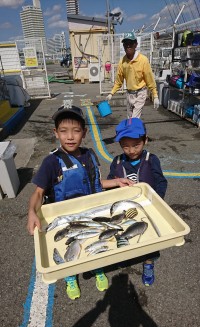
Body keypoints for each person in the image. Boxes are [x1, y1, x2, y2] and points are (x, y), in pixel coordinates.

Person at [27, 105, 134, 300]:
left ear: (84, 133)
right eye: (63, 131)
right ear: (56, 133)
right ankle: (70, 275)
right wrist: (32, 212)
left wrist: (117, 182)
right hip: (66, 218)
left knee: (94, 241)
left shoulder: (90, 155)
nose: (70, 137)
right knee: (71, 248)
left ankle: (97, 267)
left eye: (76, 131)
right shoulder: (51, 162)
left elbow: (95, 182)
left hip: (92, 213)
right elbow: (38, 192)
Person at [107, 117, 168, 286]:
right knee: (126, 231)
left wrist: (158, 200)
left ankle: (148, 262)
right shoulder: (117, 161)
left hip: (148, 205)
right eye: (125, 146)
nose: (131, 150)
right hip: (126, 208)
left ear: (145, 140)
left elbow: (161, 181)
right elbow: (110, 181)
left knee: (149, 236)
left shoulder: (151, 159)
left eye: (136, 145)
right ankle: (127, 254)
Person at [106, 32, 160, 118]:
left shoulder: (143, 60)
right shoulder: (122, 62)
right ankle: (137, 130)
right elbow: (119, 81)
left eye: (130, 43)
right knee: (129, 118)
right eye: (125, 44)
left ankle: (136, 129)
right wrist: (111, 93)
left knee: (134, 118)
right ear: (123, 46)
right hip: (129, 93)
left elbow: (149, 79)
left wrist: (155, 95)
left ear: (135, 44)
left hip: (140, 92)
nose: (128, 46)